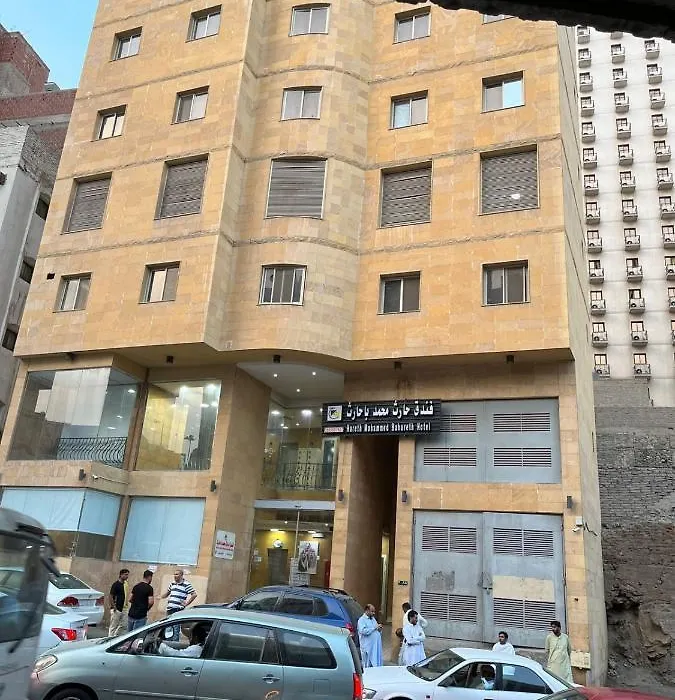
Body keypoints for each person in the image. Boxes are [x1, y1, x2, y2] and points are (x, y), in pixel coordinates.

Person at [160, 569, 197, 641]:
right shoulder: (172, 583)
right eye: (174, 574)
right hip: (169, 609)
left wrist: (186, 603)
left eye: (177, 574)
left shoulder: (186, 584)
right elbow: (167, 593)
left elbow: (194, 595)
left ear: (181, 575)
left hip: (178, 609)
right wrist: (160, 597)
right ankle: (168, 642)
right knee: (168, 628)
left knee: (176, 628)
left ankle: (175, 644)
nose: (175, 576)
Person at [108, 568, 130, 637]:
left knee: (124, 625)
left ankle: (116, 636)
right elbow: (110, 596)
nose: (127, 576)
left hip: (124, 608)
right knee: (113, 626)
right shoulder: (116, 584)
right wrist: (114, 607)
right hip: (116, 608)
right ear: (121, 575)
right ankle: (110, 638)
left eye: (127, 575)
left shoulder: (125, 584)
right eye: (125, 575)